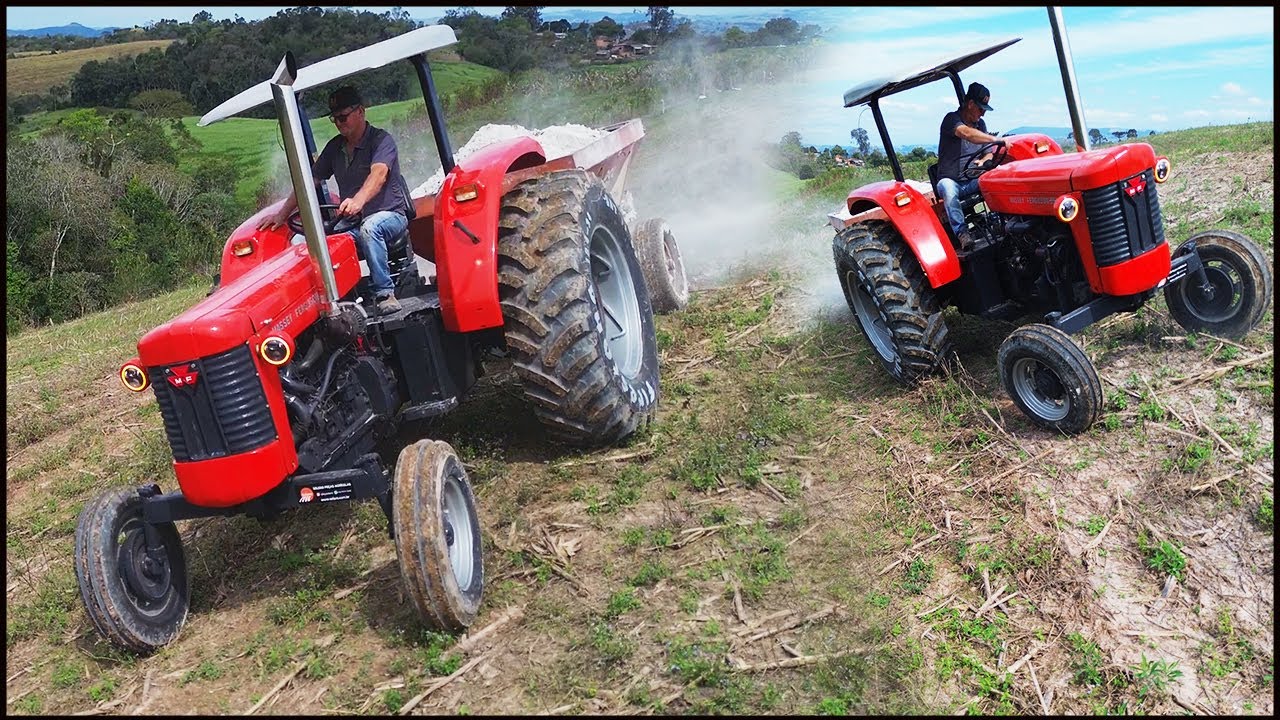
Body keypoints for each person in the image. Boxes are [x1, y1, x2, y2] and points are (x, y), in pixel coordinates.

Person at [259, 85, 411, 313]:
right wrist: (282, 215)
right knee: (314, 243)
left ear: (361, 111)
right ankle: (326, 302)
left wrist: (358, 200)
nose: (339, 123)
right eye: (334, 119)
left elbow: (378, 175)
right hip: (353, 223)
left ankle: (385, 293)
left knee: (371, 227)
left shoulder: (381, 141)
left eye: (343, 117)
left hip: (390, 216)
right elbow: (309, 183)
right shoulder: (335, 148)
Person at [935, 82, 1005, 251]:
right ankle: (962, 233)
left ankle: (1000, 220)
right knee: (947, 188)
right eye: (981, 109)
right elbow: (966, 133)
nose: (982, 114)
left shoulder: (980, 125)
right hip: (953, 181)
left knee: (995, 176)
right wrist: (994, 139)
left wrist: (985, 160)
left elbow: (988, 152)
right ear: (970, 104)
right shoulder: (952, 120)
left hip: (972, 178)